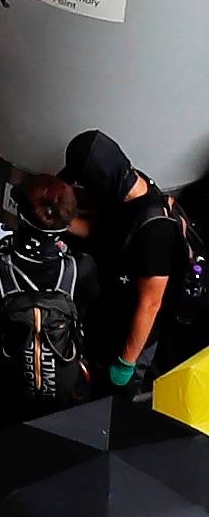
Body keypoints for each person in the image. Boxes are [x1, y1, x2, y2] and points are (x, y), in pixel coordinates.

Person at [62, 127, 198, 391]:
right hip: (109, 312)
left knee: (106, 404)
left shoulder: (156, 231)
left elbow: (150, 303)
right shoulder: (126, 188)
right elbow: (103, 232)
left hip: (132, 333)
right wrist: (54, 219)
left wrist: (126, 362)